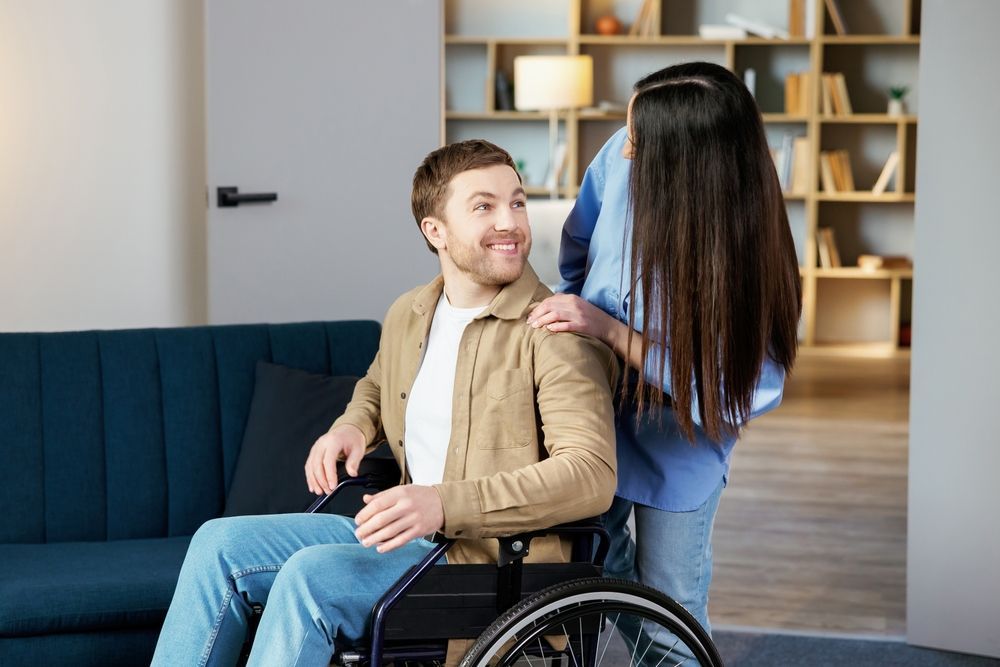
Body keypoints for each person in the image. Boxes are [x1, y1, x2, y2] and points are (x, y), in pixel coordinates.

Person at [151, 139, 618, 667]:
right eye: (483, 206)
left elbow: (591, 474)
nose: (509, 222)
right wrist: (352, 426)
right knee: (219, 545)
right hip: (405, 539)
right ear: (434, 231)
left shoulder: (553, 331)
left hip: (490, 561)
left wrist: (444, 502)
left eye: (516, 202)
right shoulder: (411, 312)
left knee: (311, 578)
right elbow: (377, 384)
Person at [527, 61, 802, 657]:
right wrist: (580, 333)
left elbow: (741, 390)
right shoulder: (621, 159)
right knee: (592, 571)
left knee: (667, 612)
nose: (623, 152)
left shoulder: (744, 252)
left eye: (635, 141)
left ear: (687, 161)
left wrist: (608, 330)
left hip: (679, 441)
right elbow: (579, 252)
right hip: (595, 411)